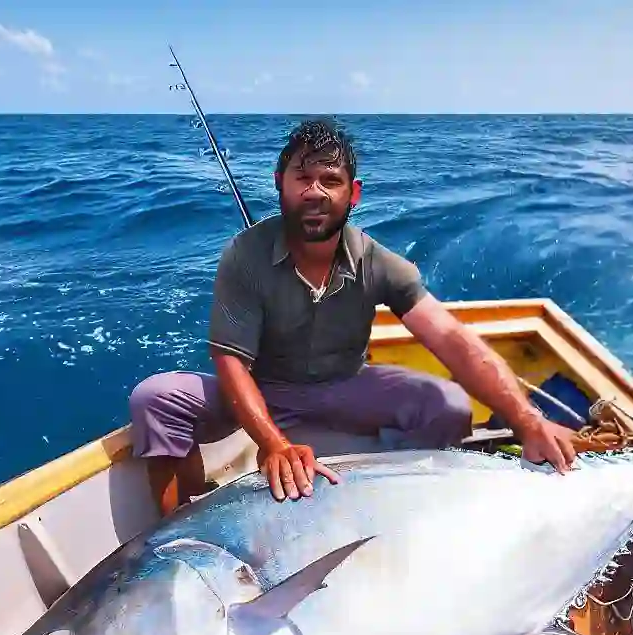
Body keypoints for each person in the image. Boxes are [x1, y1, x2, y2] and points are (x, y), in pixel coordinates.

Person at [128, 117, 580, 517]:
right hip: (266, 388)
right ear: (279, 184)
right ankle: (181, 524)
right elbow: (229, 362)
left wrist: (527, 421)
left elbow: (450, 338)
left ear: (353, 194)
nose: (315, 192)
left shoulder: (377, 261)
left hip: (344, 382)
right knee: (156, 398)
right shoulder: (244, 255)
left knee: (449, 407)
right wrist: (273, 443)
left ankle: (383, 495)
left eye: (331, 179)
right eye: (302, 177)